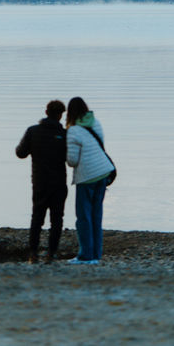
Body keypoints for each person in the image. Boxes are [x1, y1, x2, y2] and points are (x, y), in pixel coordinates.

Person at [15, 99, 68, 263]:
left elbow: (20, 153)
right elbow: (70, 158)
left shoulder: (33, 131)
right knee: (57, 219)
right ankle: (51, 253)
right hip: (59, 182)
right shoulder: (65, 135)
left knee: (37, 217)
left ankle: (33, 253)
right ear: (61, 116)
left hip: (39, 182)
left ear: (46, 113)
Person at [66, 96, 114, 264]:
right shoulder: (96, 123)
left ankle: (86, 255)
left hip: (87, 177)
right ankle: (96, 255)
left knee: (84, 217)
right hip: (103, 172)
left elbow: (72, 161)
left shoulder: (73, 131)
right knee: (96, 215)